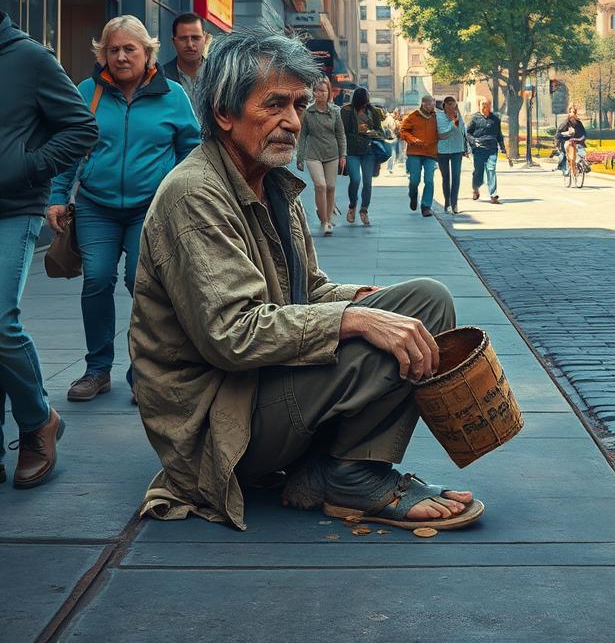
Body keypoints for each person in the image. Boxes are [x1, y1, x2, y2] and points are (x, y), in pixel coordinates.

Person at [129, 29, 481, 531]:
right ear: (224, 113)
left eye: (298, 104)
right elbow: (233, 334)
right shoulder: (194, 195)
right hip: (220, 422)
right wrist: (357, 319)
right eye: (275, 105)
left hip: (261, 390)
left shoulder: (270, 179)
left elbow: (308, 290)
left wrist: (363, 302)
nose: (292, 121)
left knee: (426, 301)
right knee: (375, 325)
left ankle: (340, 468)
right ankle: (352, 478)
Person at [47, 16, 200, 403]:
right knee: (96, 279)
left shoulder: (173, 95)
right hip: (97, 205)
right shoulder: (88, 91)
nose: (120, 56)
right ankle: (97, 369)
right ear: (103, 54)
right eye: (112, 49)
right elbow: (69, 147)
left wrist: (184, 197)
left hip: (150, 207)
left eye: (129, 49)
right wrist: (57, 195)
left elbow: (191, 150)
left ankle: (143, 372)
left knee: (141, 282)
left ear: (147, 52)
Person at [0, 11, 98, 488]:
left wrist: (25, 168)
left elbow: (81, 129)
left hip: (12, 207)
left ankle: (38, 421)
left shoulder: (30, 58)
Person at [297, 77, 347, 235]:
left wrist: (343, 155)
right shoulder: (308, 112)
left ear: (328, 93)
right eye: (317, 91)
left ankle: (327, 214)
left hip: (332, 153)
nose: (320, 94)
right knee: (321, 186)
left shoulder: (335, 111)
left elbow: (341, 135)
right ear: (313, 93)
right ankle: (325, 222)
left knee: (331, 187)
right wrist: (300, 157)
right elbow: (303, 135)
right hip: (313, 154)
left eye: (323, 91)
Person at [339, 87, 384, 227]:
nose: (369, 98)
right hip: (352, 151)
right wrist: (342, 152)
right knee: (355, 180)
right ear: (361, 97)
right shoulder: (346, 111)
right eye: (367, 96)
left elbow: (380, 132)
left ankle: (364, 210)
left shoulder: (374, 112)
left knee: (367, 182)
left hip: (369, 151)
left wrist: (373, 134)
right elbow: (341, 132)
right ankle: (352, 206)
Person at [401, 95, 439, 217]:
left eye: (433, 105)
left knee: (429, 180)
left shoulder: (437, 117)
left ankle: (426, 206)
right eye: (430, 105)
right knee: (414, 180)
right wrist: (413, 139)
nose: (432, 107)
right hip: (415, 153)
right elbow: (403, 131)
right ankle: (413, 195)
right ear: (423, 104)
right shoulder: (413, 116)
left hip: (431, 153)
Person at [467, 99, 510, 204]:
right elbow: (468, 133)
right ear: (479, 105)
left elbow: (499, 134)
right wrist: (473, 141)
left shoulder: (495, 119)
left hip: (492, 149)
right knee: (479, 172)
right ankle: (476, 188)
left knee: (491, 169)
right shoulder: (474, 118)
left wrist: (503, 147)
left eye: (487, 104)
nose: (485, 106)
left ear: (490, 106)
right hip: (478, 149)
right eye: (482, 104)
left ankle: (493, 195)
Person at [162, 12, 207, 109]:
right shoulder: (160, 78)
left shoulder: (220, 76)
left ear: (205, 39)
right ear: (174, 41)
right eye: (183, 38)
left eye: (196, 38)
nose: (190, 44)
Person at [436, 97, 469, 214]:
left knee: (456, 177)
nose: (451, 107)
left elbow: (461, 132)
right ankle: (447, 202)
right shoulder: (438, 116)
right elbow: (442, 132)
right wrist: (452, 122)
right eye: (449, 104)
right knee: (446, 178)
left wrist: (456, 119)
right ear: (444, 105)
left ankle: (454, 203)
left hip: (457, 150)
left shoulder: (458, 116)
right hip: (442, 151)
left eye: (454, 104)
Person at [555, 106, 587, 176]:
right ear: (569, 113)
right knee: (565, 154)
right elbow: (557, 135)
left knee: (581, 153)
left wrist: (578, 139)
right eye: (571, 112)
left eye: (574, 112)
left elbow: (584, 134)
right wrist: (566, 134)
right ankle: (565, 168)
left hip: (577, 143)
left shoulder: (579, 123)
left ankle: (583, 165)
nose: (572, 114)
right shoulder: (565, 123)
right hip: (566, 143)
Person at [383, 108, 401, 174]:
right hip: (392, 138)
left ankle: (390, 167)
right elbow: (393, 128)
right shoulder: (390, 119)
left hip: (388, 138)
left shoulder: (387, 118)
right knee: (392, 153)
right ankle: (390, 168)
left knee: (391, 152)